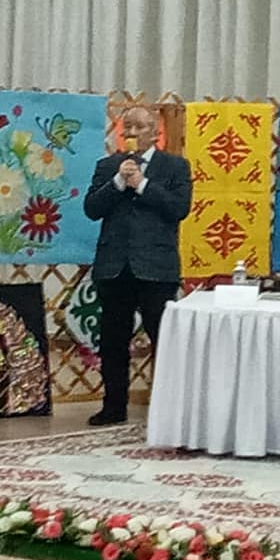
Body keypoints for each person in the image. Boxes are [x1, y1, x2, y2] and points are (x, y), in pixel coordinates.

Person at [83, 106, 192, 426]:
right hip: (114, 266)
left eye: (139, 127)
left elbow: (179, 208)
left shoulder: (175, 166)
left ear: (155, 132)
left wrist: (142, 184)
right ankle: (114, 406)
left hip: (156, 267)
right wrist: (119, 181)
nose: (131, 132)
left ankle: (170, 409)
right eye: (127, 126)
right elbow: (92, 208)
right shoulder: (107, 166)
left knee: (164, 338)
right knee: (113, 339)